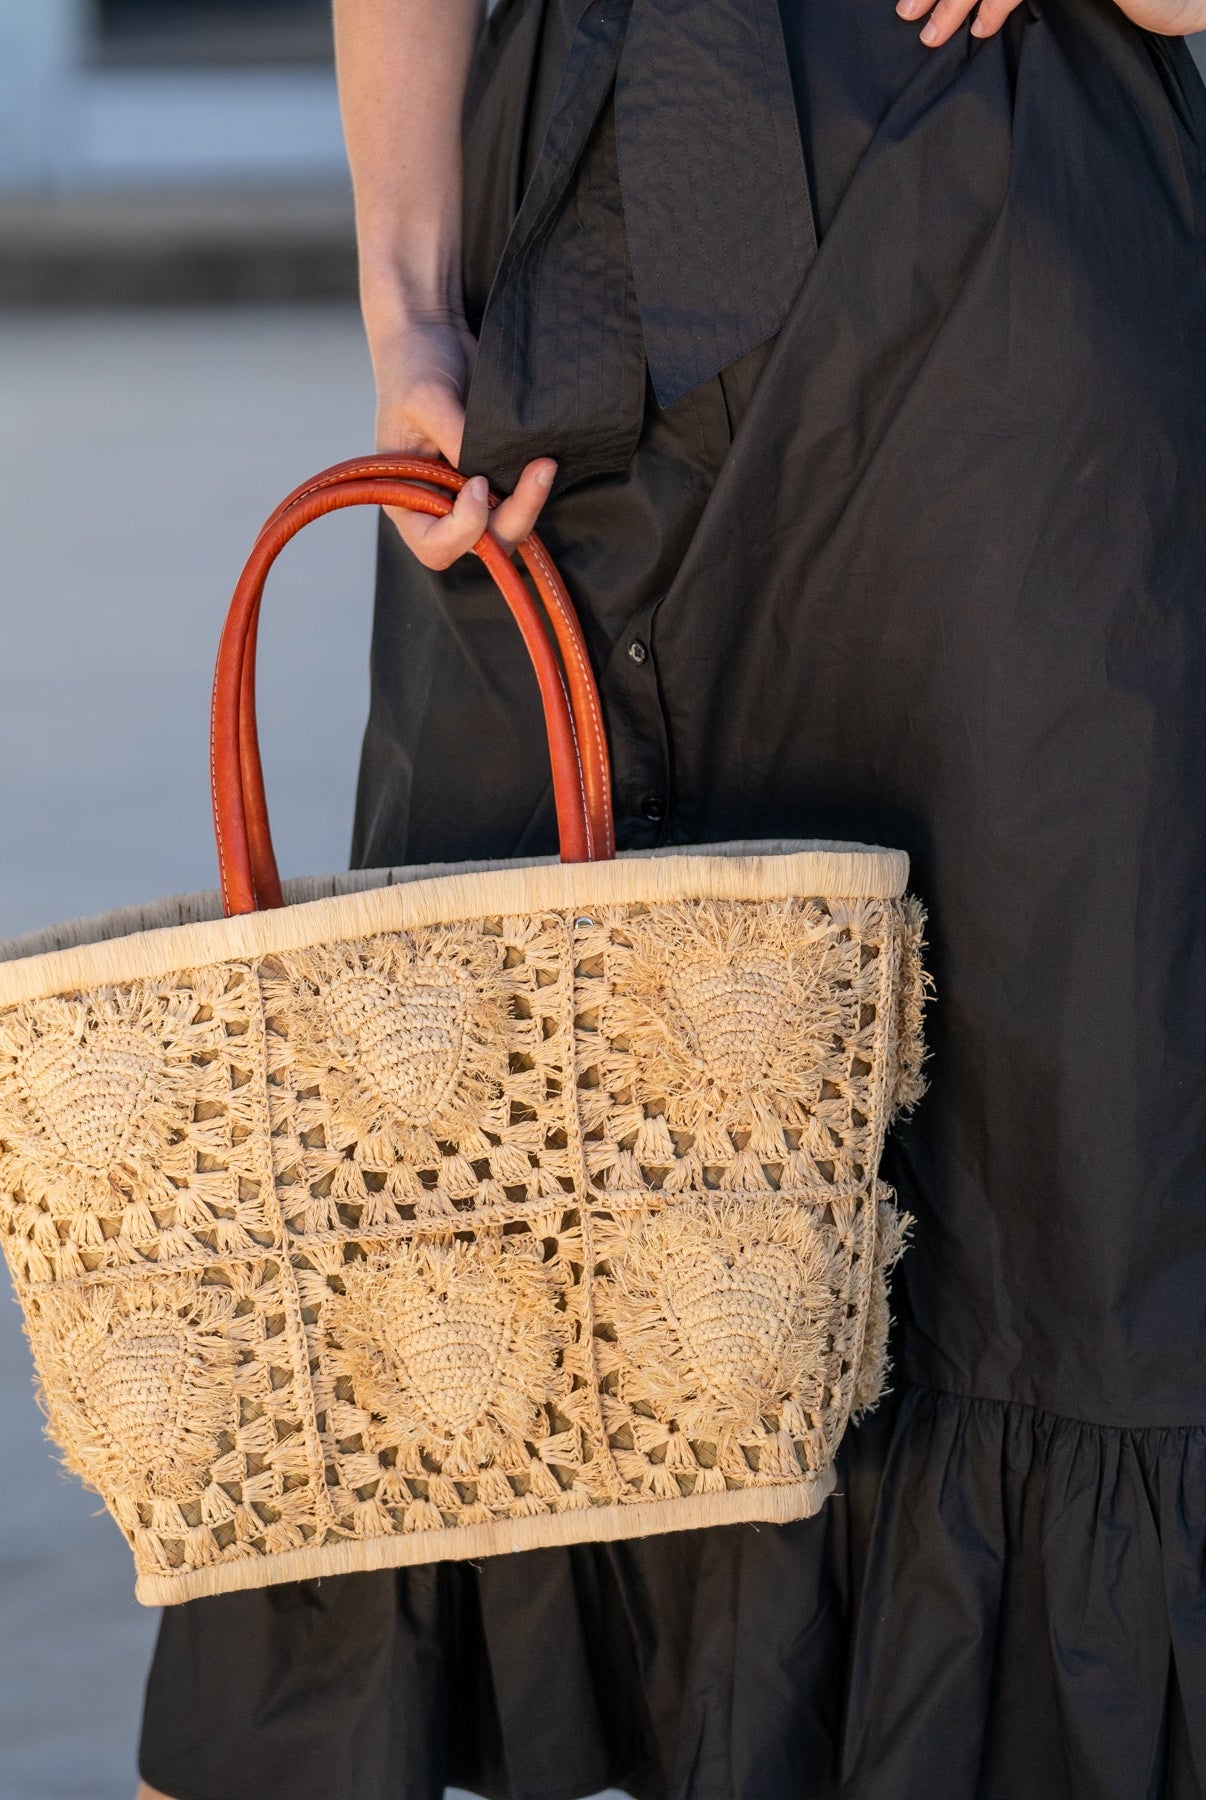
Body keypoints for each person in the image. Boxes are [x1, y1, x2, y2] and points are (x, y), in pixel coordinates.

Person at [136, 0, 1206, 1794]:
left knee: (1038, 1183)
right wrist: (409, 303)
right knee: (477, 1146)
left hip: (998, 321)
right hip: (563, 307)